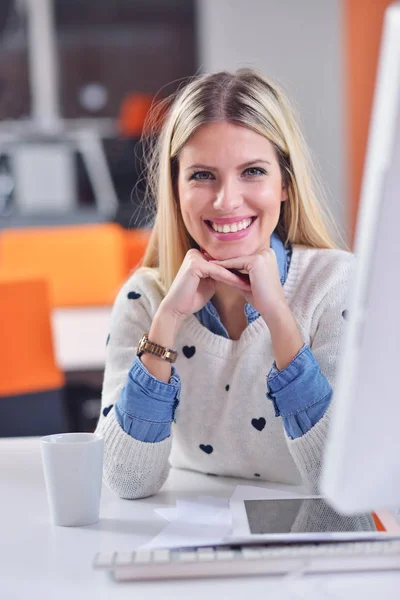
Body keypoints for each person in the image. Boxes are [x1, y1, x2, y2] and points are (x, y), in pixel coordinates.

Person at [95, 68, 370, 531]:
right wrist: (167, 320)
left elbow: (339, 481)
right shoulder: (145, 298)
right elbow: (127, 480)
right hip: (189, 540)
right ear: (176, 187)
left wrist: (278, 316)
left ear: (285, 184)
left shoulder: (337, 283)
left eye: (253, 172)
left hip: (313, 550)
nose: (226, 200)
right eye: (202, 175)